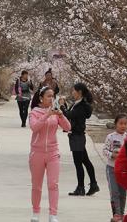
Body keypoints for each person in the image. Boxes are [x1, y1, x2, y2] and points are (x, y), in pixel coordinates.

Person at [29, 86, 71, 222]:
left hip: (53, 152)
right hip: (37, 153)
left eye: (53, 96)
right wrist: (47, 114)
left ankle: (53, 214)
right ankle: (36, 212)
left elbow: (68, 127)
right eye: (48, 96)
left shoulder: (56, 112)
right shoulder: (34, 112)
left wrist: (60, 115)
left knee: (53, 184)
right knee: (37, 185)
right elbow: (34, 127)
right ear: (41, 98)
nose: (51, 99)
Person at [59, 82, 99, 196]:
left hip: (77, 136)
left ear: (79, 92)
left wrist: (62, 106)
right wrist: (65, 106)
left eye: (74, 91)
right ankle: (93, 184)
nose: (72, 93)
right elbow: (71, 114)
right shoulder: (78, 103)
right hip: (76, 136)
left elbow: (69, 115)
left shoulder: (82, 105)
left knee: (79, 162)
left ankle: (81, 187)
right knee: (85, 161)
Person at [103, 114, 127, 222]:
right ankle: (116, 213)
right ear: (116, 124)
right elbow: (104, 150)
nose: (123, 126)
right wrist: (112, 155)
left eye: (125, 124)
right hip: (112, 168)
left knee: (123, 193)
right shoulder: (111, 137)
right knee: (114, 192)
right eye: (121, 123)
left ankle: (122, 214)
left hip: (124, 170)